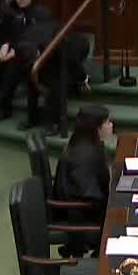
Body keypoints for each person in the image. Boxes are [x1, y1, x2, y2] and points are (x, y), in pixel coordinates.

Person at [7, 0, 89, 131]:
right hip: (37, 53)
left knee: (53, 79)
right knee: (31, 76)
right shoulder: (18, 18)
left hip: (67, 48)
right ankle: (33, 118)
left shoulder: (43, 17)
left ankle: (55, 122)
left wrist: (82, 76)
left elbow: (66, 52)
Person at [52, 105, 114, 256]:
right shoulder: (85, 157)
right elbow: (90, 198)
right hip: (80, 217)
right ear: (96, 128)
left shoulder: (89, 145)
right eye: (107, 122)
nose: (111, 125)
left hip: (83, 211)